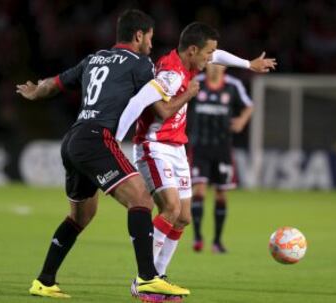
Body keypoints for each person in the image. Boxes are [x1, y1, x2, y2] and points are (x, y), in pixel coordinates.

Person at [15, 9, 196, 301]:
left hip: (73, 139)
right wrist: (186, 94)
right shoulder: (141, 63)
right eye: (149, 38)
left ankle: (44, 280)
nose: (151, 44)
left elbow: (53, 84)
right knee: (141, 198)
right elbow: (159, 108)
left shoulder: (93, 58)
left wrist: (35, 91)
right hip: (98, 139)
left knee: (81, 215)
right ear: (139, 35)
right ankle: (148, 278)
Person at [115, 21, 276, 287]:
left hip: (177, 147)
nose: (212, 59)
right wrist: (115, 140)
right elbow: (148, 106)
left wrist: (249, 64)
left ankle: (160, 273)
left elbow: (220, 55)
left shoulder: (187, 63)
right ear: (192, 50)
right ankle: (145, 278)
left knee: (184, 217)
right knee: (170, 208)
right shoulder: (172, 74)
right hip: (154, 146)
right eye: (207, 53)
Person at [187, 64, 254, 253]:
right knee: (199, 191)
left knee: (221, 193)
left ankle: (217, 241)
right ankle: (198, 237)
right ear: (206, 67)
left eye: (219, 65)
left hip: (223, 148)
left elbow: (249, 106)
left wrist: (241, 121)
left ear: (224, 68)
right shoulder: (196, 83)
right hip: (199, 147)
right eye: (211, 64)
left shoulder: (233, 85)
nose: (215, 68)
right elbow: (181, 101)